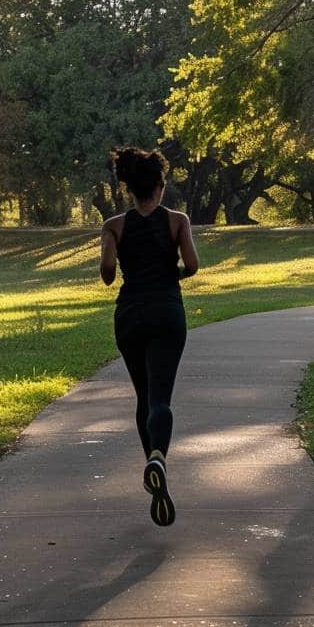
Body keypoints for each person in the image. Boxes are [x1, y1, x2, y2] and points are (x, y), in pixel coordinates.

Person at [99, 146, 199, 526]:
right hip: (167, 313)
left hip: (130, 315)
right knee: (161, 399)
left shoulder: (114, 225)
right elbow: (192, 265)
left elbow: (108, 270)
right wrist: (171, 276)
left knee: (143, 396)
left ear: (129, 189)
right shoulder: (177, 220)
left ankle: (152, 465)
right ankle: (159, 457)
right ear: (160, 185)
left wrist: (114, 260)